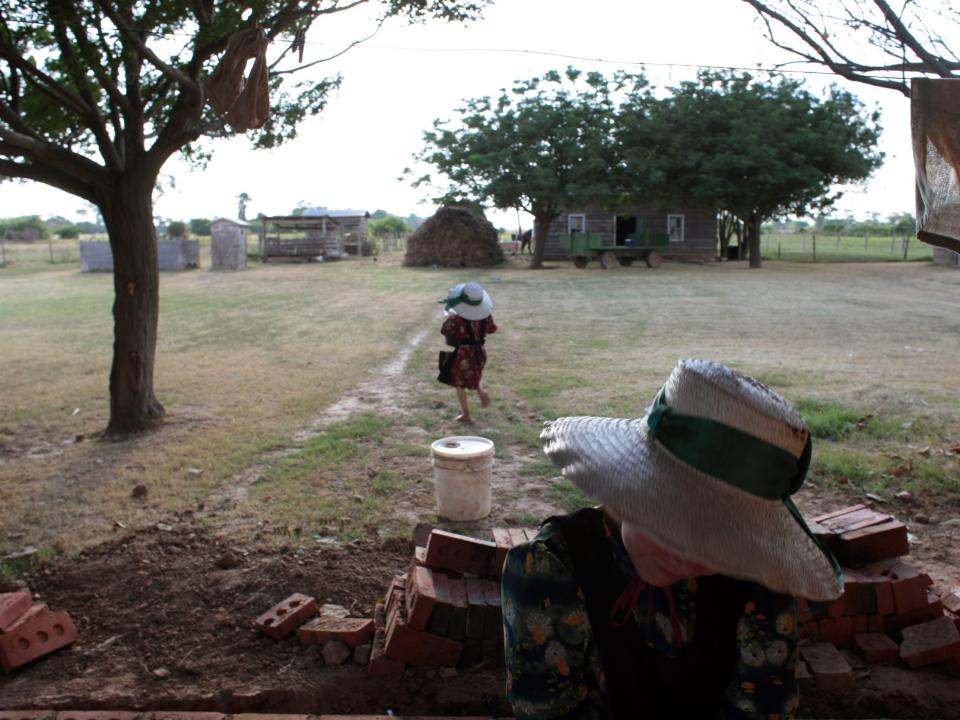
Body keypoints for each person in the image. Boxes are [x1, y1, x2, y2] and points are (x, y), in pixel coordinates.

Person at [501, 359, 843, 720]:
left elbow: (765, 706)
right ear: (630, 485)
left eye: (722, 541)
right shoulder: (549, 572)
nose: (688, 557)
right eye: (673, 525)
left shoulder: (757, 583)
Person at [438, 281, 497, 423]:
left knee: (459, 383)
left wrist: (448, 318)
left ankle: (466, 415)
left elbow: (445, 330)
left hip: (464, 353)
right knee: (473, 374)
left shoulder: (457, 318)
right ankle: (481, 393)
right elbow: (492, 329)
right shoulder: (485, 315)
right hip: (480, 352)